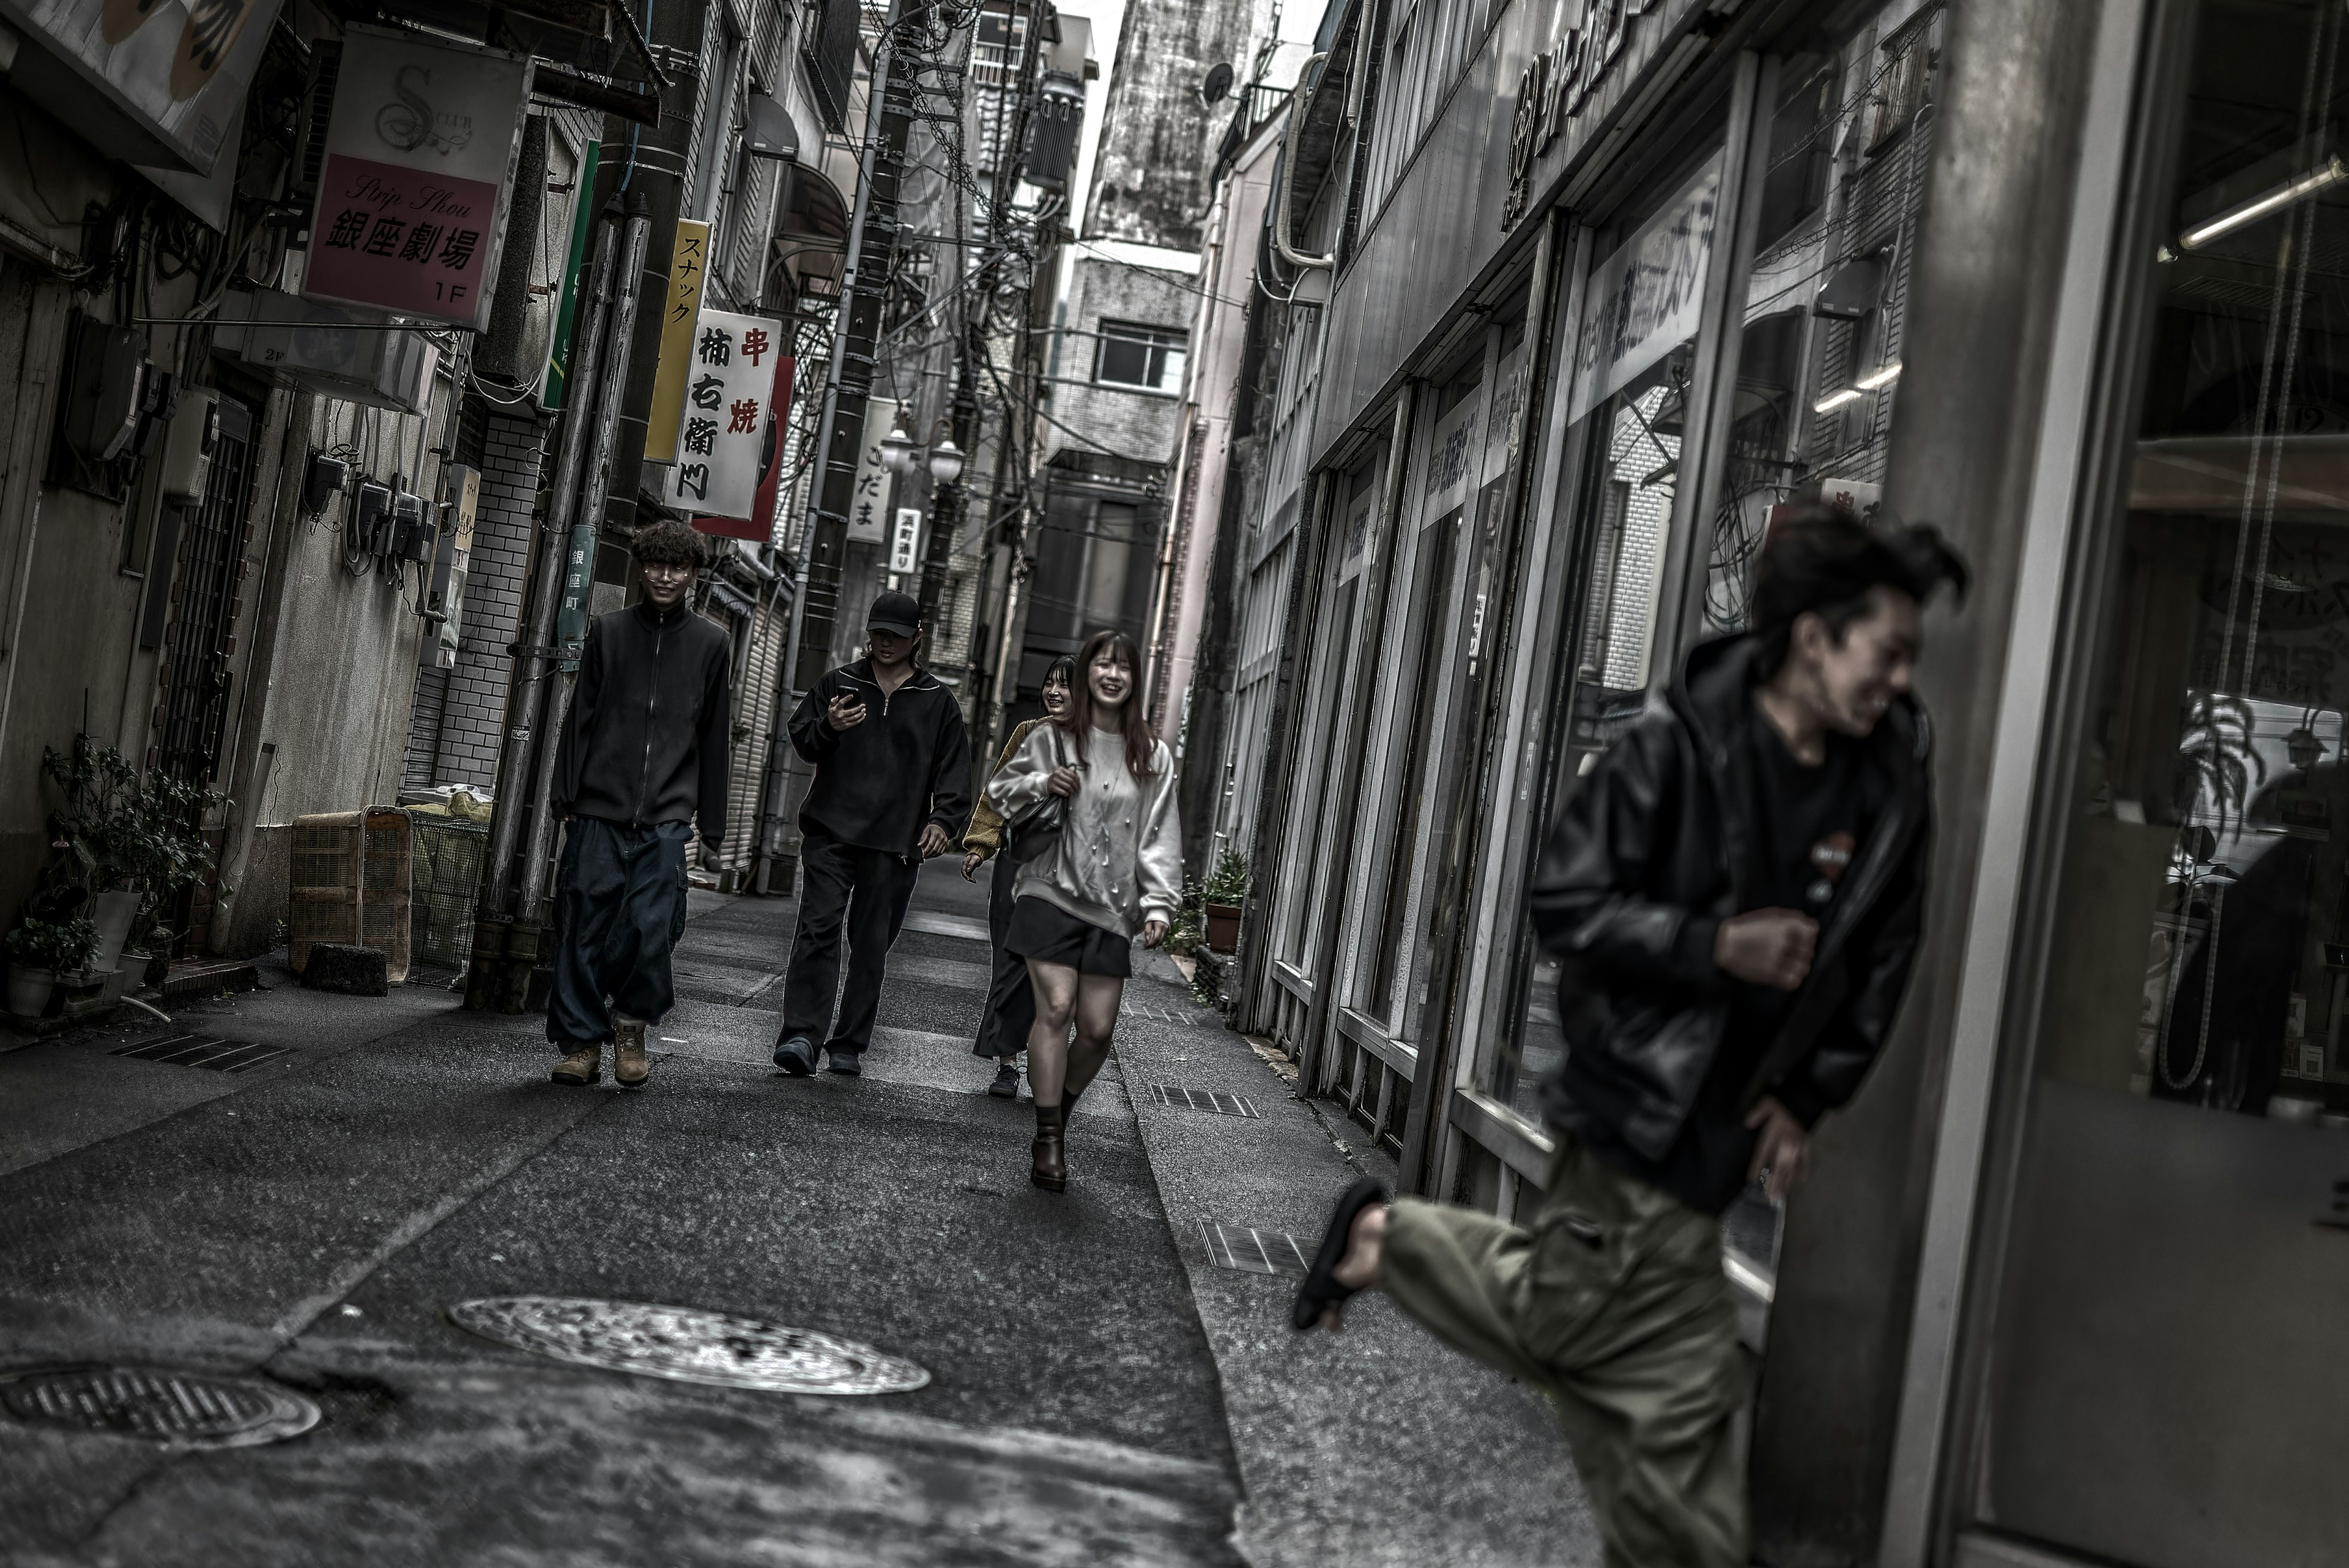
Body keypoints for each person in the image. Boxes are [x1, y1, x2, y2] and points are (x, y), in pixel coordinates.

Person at [1289, 505, 1967, 1568]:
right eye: (1886, 653)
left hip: (1727, 1125)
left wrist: (1810, 1093)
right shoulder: (1677, 748)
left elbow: (1889, 949)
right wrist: (1713, 945)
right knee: (1659, 1376)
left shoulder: (1888, 781)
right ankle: (1394, 1239)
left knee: (1617, 1355)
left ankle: (1389, 1240)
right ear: (1813, 637)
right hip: (1635, 1099)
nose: (1897, 682)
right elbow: (1565, 901)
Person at [985, 630, 1181, 1191]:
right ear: (1088, 676)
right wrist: (1045, 780)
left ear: (1134, 679)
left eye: (1123, 667)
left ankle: (1058, 1116)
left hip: (1110, 907)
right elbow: (1000, 794)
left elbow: (1159, 833)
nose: (1112, 675)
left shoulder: (1151, 755)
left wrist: (1161, 903)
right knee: (1059, 1005)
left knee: (1096, 1031)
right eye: (1102, 665)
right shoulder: (1052, 738)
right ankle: (1048, 1139)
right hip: (1047, 890)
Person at [546, 519, 733, 1090]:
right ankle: (580, 1042)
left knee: (651, 927)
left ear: (694, 574)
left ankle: (629, 1025)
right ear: (641, 567)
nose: (666, 576)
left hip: (667, 813)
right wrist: (566, 793)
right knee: (583, 920)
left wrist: (716, 821)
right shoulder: (609, 632)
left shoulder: (711, 643)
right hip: (599, 806)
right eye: (655, 565)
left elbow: (714, 732)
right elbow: (581, 716)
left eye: (678, 568)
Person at [773, 590, 972, 1076]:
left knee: (870, 943)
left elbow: (954, 771)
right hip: (831, 832)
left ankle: (849, 1043)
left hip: (894, 843)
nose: (886, 643)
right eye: (879, 633)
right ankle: (801, 1035)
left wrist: (943, 821)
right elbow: (804, 740)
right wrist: (830, 725)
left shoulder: (937, 701)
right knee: (818, 930)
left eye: (897, 636)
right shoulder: (840, 682)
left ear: (917, 638)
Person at [961, 655, 1077, 1099]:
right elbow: (998, 791)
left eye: (1065, 685)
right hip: (1018, 864)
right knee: (1010, 963)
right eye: (1050, 683)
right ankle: (1006, 1064)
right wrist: (979, 844)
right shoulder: (1028, 733)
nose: (1054, 691)